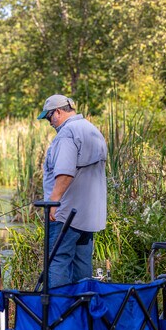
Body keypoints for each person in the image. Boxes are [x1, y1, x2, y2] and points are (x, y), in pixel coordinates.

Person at [37, 94, 107, 287]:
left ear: (58, 112)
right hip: (89, 215)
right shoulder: (92, 130)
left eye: (49, 117)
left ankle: (57, 311)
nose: (49, 122)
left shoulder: (67, 133)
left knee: (58, 260)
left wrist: (53, 203)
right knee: (82, 266)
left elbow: (65, 173)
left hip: (65, 215)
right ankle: (80, 312)